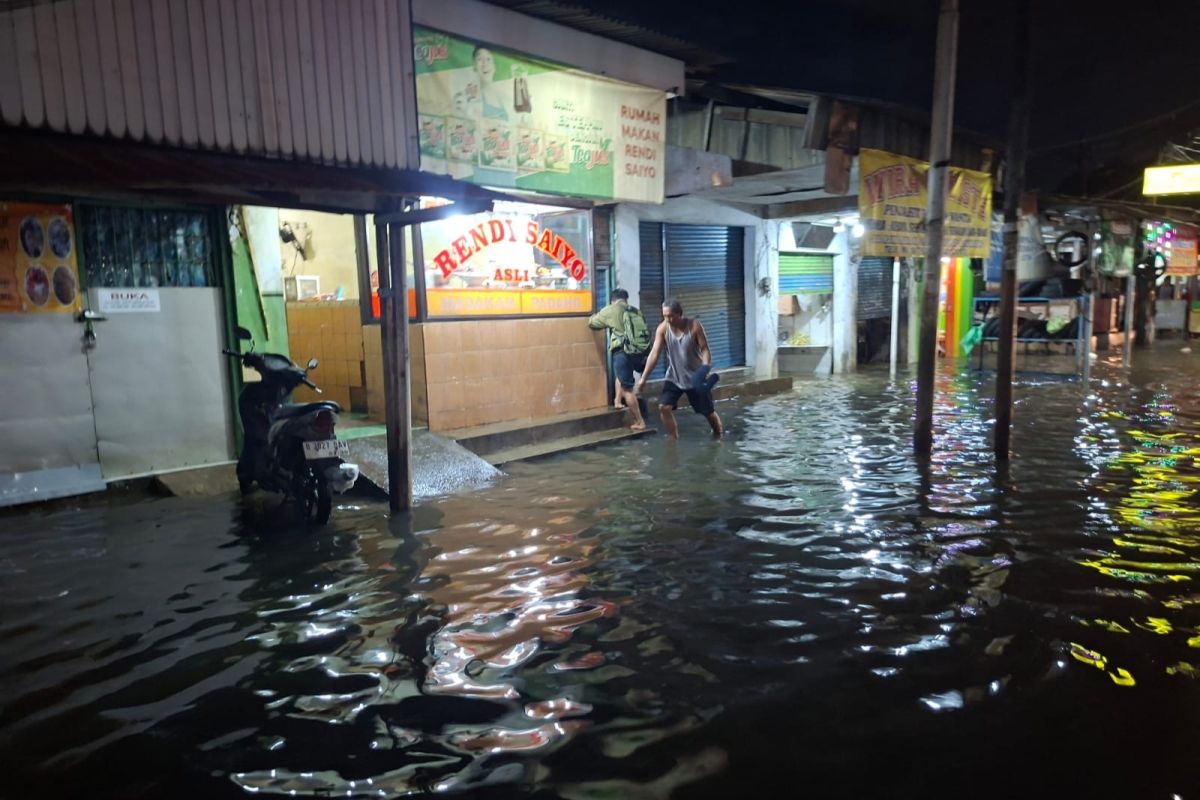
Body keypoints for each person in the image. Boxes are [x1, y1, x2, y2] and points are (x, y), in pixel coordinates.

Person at [635, 299, 722, 439]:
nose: (668, 319)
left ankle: (719, 435)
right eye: (664, 316)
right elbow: (654, 354)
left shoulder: (694, 326)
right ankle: (672, 438)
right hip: (674, 377)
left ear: (679, 313)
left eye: (671, 316)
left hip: (695, 378)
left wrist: (705, 369)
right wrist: (643, 378)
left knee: (707, 412)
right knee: (664, 407)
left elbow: (705, 349)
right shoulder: (662, 329)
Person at [588, 288, 648, 432]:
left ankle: (640, 422)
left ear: (613, 300)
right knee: (622, 375)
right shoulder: (635, 311)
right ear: (626, 299)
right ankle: (617, 401)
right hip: (638, 352)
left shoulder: (611, 310)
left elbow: (592, 323)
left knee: (628, 388)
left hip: (622, 352)